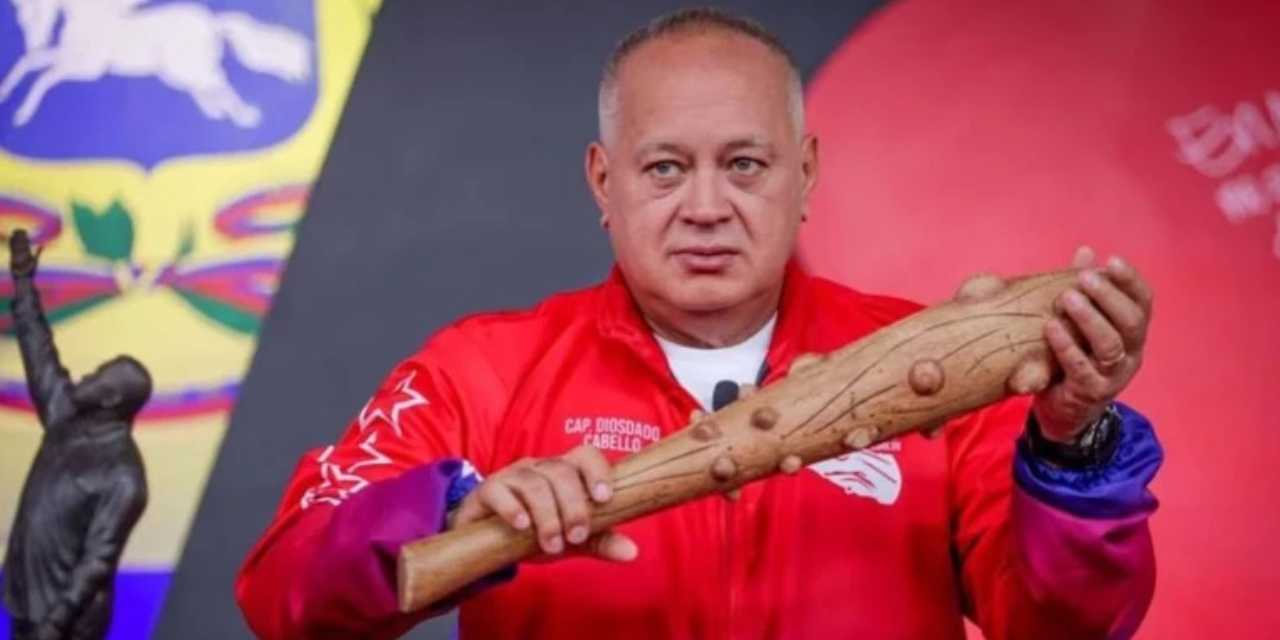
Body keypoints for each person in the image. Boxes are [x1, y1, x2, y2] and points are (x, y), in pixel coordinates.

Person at [237, 8, 1162, 639]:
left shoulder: (939, 373)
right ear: (604, 182)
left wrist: (1073, 448)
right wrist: (450, 511)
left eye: (746, 165)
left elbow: (1068, 626)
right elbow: (283, 595)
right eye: (666, 169)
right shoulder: (482, 371)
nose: (707, 207)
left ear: (805, 173)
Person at [3, 230, 151, 640]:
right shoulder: (65, 416)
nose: (86, 376)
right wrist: (23, 281)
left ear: (112, 399)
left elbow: (97, 561)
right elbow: (39, 351)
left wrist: (56, 622)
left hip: (69, 624)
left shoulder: (124, 475)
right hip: (27, 600)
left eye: (98, 376)